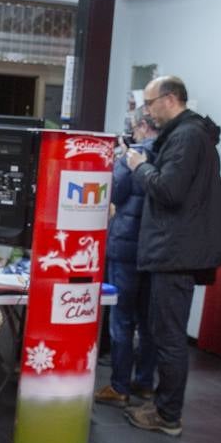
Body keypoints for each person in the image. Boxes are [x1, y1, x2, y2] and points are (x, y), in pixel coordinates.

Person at [123, 75, 221, 436]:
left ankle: (168, 414)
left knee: (169, 337)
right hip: (176, 249)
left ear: (170, 99)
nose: (147, 111)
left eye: (150, 102)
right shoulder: (189, 134)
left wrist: (139, 166)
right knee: (166, 333)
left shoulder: (187, 136)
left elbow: (169, 190)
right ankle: (164, 406)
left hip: (175, 251)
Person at [95, 110, 157, 408]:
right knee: (148, 321)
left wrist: (119, 159)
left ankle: (119, 386)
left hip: (124, 247)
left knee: (121, 319)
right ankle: (144, 382)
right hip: (154, 248)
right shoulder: (170, 156)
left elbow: (113, 193)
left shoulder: (131, 156)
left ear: (143, 126)